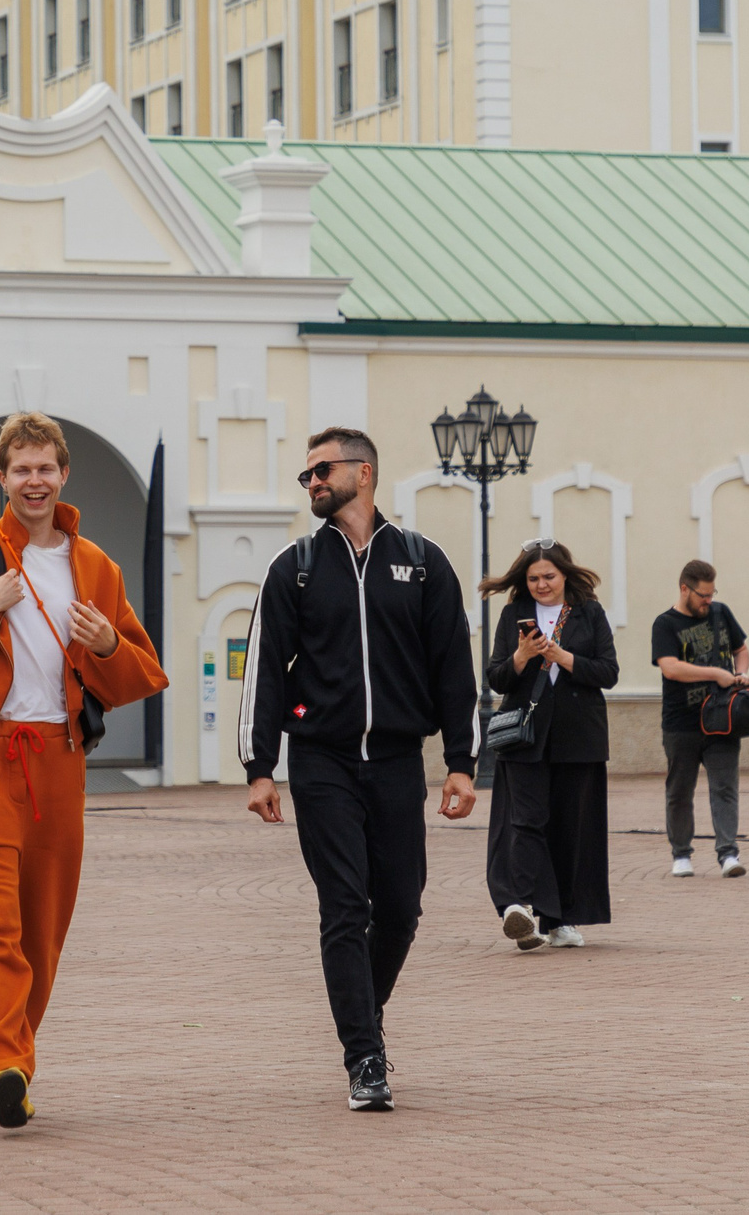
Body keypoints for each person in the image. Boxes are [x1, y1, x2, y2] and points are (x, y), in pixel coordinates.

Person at [0, 412, 170, 1130]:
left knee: (42, 931)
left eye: (46, 467)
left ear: (63, 473)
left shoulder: (96, 566)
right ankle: (5, 1062)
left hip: (58, 763)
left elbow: (142, 672)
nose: (34, 480)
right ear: (3, 477)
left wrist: (107, 642)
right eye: (21, 469)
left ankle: (15, 1053)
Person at [240, 427, 479, 1114]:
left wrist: (461, 762)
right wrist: (260, 765)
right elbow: (263, 668)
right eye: (306, 475)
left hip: (399, 760)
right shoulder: (296, 567)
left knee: (401, 906)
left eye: (322, 470)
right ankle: (364, 1057)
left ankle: (360, 1014)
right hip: (322, 759)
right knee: (346, 904)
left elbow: (452, 669)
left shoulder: (423, 562)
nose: (312, 482)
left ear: (363, 472)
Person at [481, 537, 617, 953]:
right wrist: (521, 657)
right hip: (525, 737)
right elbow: (497, 678)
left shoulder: (589, 613)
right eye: (534, 578)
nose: (542, 585)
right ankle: (519, 908)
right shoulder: (513, 615)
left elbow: (608, 672)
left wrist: (563, 657)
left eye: (549, 577)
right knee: (526, 821)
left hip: (579, 737)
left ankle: (560, 921)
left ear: (564, 575)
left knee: (570, 829)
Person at [653, 558, 749, 879]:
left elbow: (741, 650)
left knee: (725, 787)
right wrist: (715, 673)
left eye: (712, 594)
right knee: (680, 791)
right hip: (681, 721)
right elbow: (670, 667)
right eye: (702, 596)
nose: (708, 601)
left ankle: (728, 854)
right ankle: (681, 854)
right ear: (684, 589)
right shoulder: (665, 624)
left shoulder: (721, 613)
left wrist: (739, 674)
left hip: (723, 718)